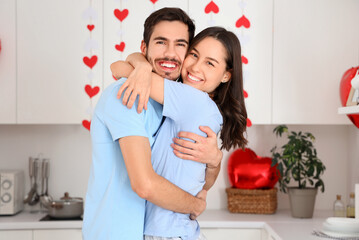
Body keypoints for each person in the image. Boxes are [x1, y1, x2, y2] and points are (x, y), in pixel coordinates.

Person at [82, 8, 222, 240]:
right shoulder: (126, 95)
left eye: (180, 44)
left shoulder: (167, 102)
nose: (170, 53)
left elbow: (193, 174)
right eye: (160, 42)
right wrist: (195, 206)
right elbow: (145, 184)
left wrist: (215, 160)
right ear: (144, 48)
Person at [111, 26, 248, 240]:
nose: (195, 67)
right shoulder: (206, 108)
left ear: (226, 75)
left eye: (210, 63)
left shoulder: (191, 100)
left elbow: (118, 68)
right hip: (178, 231)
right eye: (194, 54)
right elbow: (204, 183)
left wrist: (140, 66)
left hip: (166, 232)